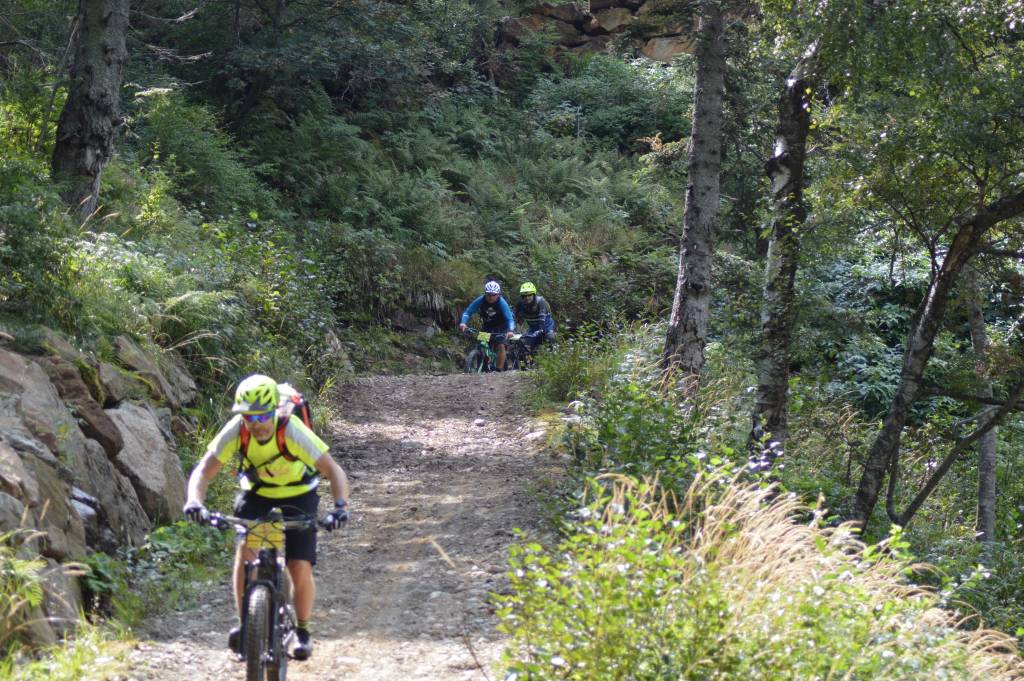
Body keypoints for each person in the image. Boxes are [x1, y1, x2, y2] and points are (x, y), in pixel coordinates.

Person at [182, 374, 350, 661]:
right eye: (249, 417)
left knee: (299, 565)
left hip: (299, 494)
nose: (255, 423)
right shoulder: (239, 430)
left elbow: (332, 470)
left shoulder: (292, 430)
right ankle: (246, 624)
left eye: (261, 415)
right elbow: (204, 470)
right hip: (258, 493)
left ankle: (303, 631)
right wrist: (194, 501)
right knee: (246, 554)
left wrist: (340, 506)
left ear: (274, 410)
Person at [459, 280, 516, 371]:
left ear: (498, 294)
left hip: (502, 328)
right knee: (481, 344)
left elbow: (510, 319)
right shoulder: (481, 300)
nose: (491, 297)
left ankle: (498, 370)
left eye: (494, 295)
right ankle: (482, 366)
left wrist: (510, 331)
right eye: (489, 294)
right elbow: (468, 312)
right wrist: (463, 323)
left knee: (501, 345)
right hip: (487, 327)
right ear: (485, 293)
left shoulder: (502, 303)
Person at [514, 281, 556, 353]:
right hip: (533, 328)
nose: (527, 298)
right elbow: (514, 317)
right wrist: (514, 330)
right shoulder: (520, 304)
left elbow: (542, 317)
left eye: (529, 295)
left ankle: (552, 355)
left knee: (550, 337)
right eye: (524, 296)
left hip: (546, 326)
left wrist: (540, 329)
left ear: (534, 295)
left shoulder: (541, 302)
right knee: (523, 345)